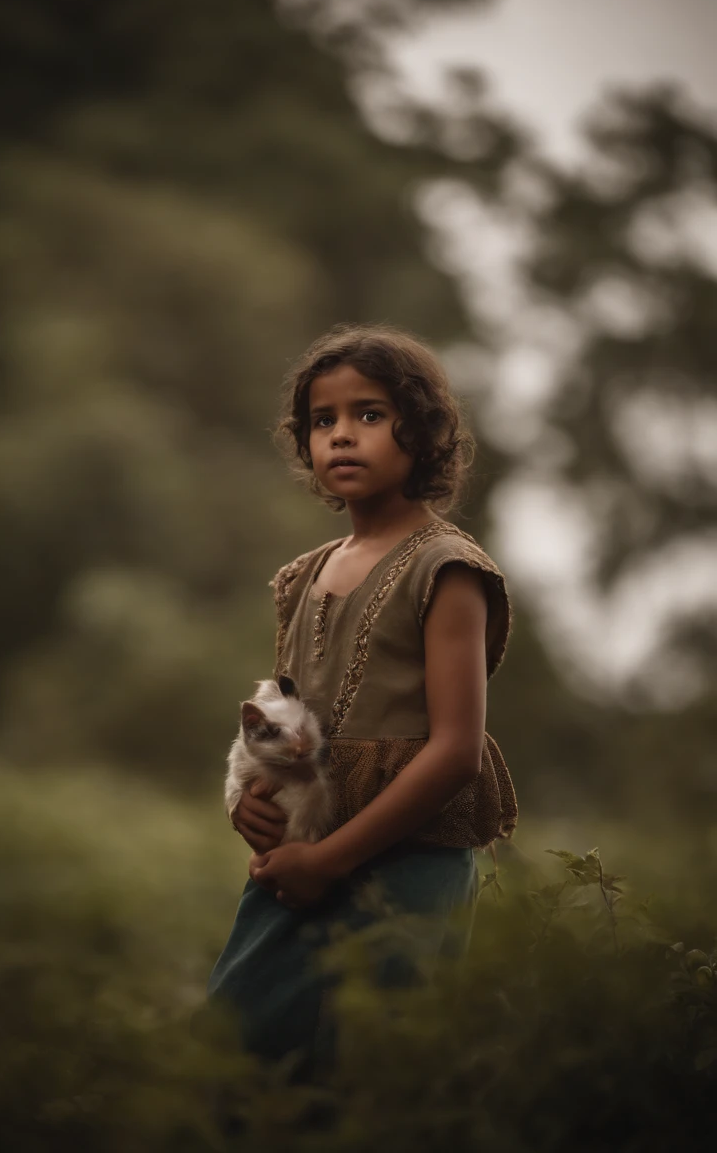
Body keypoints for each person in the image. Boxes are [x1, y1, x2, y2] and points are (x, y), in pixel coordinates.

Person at [206, 322, 518, 1086]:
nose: (343, 435)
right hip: (298, 866)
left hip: (405, 869)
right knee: (231, 1055)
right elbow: (285, 719)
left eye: (370, 415)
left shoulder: (448, 571)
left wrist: (329, 860)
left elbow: (455, 752)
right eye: (324, 420)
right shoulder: (303, 576)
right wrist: (247, 799)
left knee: (375, 1077)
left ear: (424, 430)